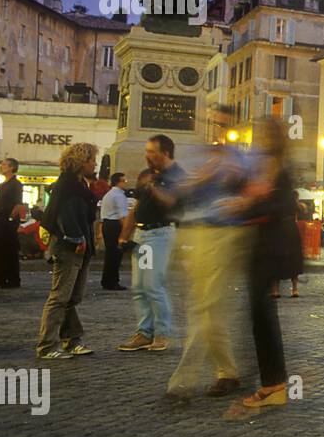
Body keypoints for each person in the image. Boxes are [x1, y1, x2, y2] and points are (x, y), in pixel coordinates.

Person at [168, 107, 253, 397]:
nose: (216, 129)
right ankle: (227, 372)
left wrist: (235, 180)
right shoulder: (195, 154)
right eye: (212, 122)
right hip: (193, 233)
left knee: (204, 306)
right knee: (207, 307)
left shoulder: (240, 158)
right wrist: (200, 179)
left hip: (223, 234)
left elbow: (250, 194)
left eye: (222, 124)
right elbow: (178, 192)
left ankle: (183, 381)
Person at [230, 117, 301, 408]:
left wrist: (249, 204)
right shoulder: (267, 166)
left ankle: (275, 383)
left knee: (262, 315)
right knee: (260, 314)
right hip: (262, 244)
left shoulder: (279, 168)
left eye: (262, 133)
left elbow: (284, 205)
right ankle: (273, 381)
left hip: (271, 247)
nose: (258, 137)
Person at [118, 135, 186, 353]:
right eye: (146, 151)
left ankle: (162, 333)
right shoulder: (146, 174)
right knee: (140, 286)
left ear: (165, 153)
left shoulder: (178, 175)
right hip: (142, 235)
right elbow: (136, 207)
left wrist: (154, 187)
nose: (147, 156)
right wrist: (124, 235)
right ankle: (144, 332)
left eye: (151, 152)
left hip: (160, 233)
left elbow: (173, 203)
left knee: (154, 285)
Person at [36, 143, 99, 359]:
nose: (95, 164)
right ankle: (47, 345)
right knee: (60, 296)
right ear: (82, 161)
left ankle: (71, 340)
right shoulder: (68, 185)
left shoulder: (80, 184)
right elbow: (65, 214)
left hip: (81, 246)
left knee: (72, 296)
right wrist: (76, 237)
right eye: (92, 160)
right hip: (69, 247)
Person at [0, 158, 24, 288]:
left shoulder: (16, 184)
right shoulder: (3, 184)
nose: (2, 166)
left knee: (10, 250)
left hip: (8, 221)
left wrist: (11, 219)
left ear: (12, 167)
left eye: (5, 165)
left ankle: (13, 279)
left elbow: (18, 204)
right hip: (0, 219)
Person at [98, 173, 130, 290]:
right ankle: (112, 282)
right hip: (114, 225)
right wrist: (126, 232)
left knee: (110, 255)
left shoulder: (108, 194)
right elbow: (123, 216)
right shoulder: (119, 196)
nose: (126, 182)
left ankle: (107, 281)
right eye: (124, 180)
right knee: (116, 255)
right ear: (118, 182)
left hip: (108, 224)